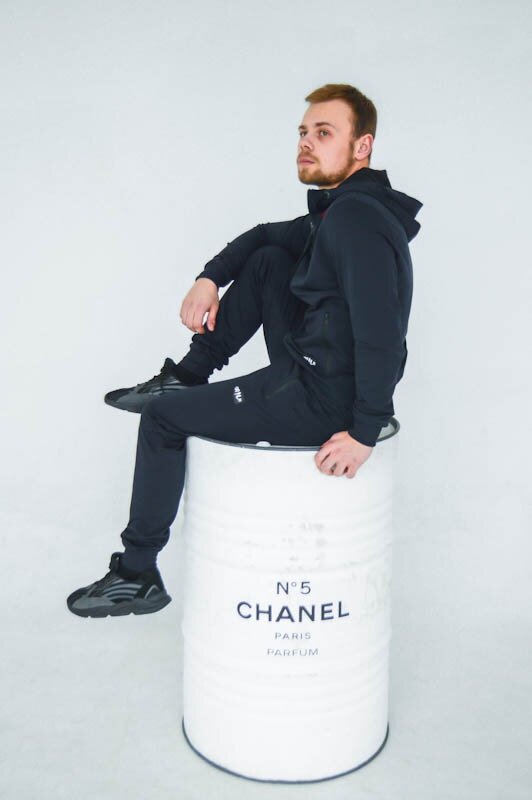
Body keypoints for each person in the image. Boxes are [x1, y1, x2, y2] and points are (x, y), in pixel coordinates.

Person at [67, 83, 422, 619]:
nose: (306, 143)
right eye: (303, 132)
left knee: (164, 419)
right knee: (268, 262)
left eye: (324, 133)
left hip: (323, 399)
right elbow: (261, 236)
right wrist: (209, 277)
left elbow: (383, 331)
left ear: (362, 146)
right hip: (315, 366)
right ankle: (188, 375)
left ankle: (136, 574)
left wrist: (365, 430)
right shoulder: (340, 211)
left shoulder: (356, 220)